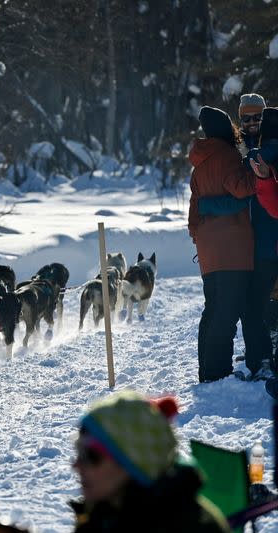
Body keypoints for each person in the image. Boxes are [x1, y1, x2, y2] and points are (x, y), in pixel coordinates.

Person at [197, 97, 278, 380]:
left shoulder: (264, 149)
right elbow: (237, 194)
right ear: (240, 121)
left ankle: (263, 358)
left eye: (258, 117)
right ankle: (260, 355)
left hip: (266, 239)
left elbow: (248, 194)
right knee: (252, 305)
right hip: (249, 244)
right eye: (247, 119)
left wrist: (207, 207)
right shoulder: (237, 150)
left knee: (256, 303)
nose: (253, 123)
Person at [70, 390, 230, 533]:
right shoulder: (104, 512)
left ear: (133, 461)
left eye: (90, 456)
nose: (76, 465)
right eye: (78, 451)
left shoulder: (196, 526)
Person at [188, 106, 261, 383]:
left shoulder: (200, 164)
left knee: (213, 309)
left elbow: (193, 215)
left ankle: (207, 370)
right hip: (233, 248)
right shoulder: (228, 156)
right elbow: (241, 187)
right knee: (227, 313)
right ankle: (218, 373)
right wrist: (259, 175)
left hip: (210, 251)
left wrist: (202, 238)